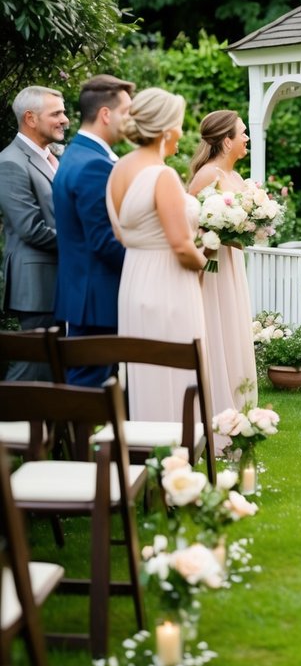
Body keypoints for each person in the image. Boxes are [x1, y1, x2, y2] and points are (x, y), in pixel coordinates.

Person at [106, 88, 209, 421]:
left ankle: (148, 451)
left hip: (134, 280)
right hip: (168, 284)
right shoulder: (162, 175)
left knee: (143, 369)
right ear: (166, 129)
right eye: (179, 124)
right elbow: (180, 246)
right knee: (175, 369)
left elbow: (122, 234)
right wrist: (204, 260)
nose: (181, 132)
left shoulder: (118, 169)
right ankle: (175, 454)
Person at [53, 75, 134, 386]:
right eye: (127, 112)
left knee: (90, 386)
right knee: (87, 388)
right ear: (105, 114)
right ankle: (76, 437)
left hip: (84, 293)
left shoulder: (77, 155)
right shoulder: (93, 166)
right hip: (95, 298)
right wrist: (149, 268)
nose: (131, 121)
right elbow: (103, 241)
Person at [188, 110, 257, 413]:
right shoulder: (208, 175)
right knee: (217, 328)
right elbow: (188, 221)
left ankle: (238, 406)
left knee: (234, 329)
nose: (246, 138)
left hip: (232, 262)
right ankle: (215, 409)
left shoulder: (236, 177)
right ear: (227, 142)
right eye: (242, 133)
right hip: (213, 265)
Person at [0, 85, 68, 379]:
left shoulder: (50, 157)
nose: (64, 119)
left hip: (59, 280)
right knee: (33, 368)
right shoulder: (10, 162)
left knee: (55, 368)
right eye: (56, 113)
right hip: (37, 284)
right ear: (30, 118)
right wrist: (81, 244)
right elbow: (31, 229)